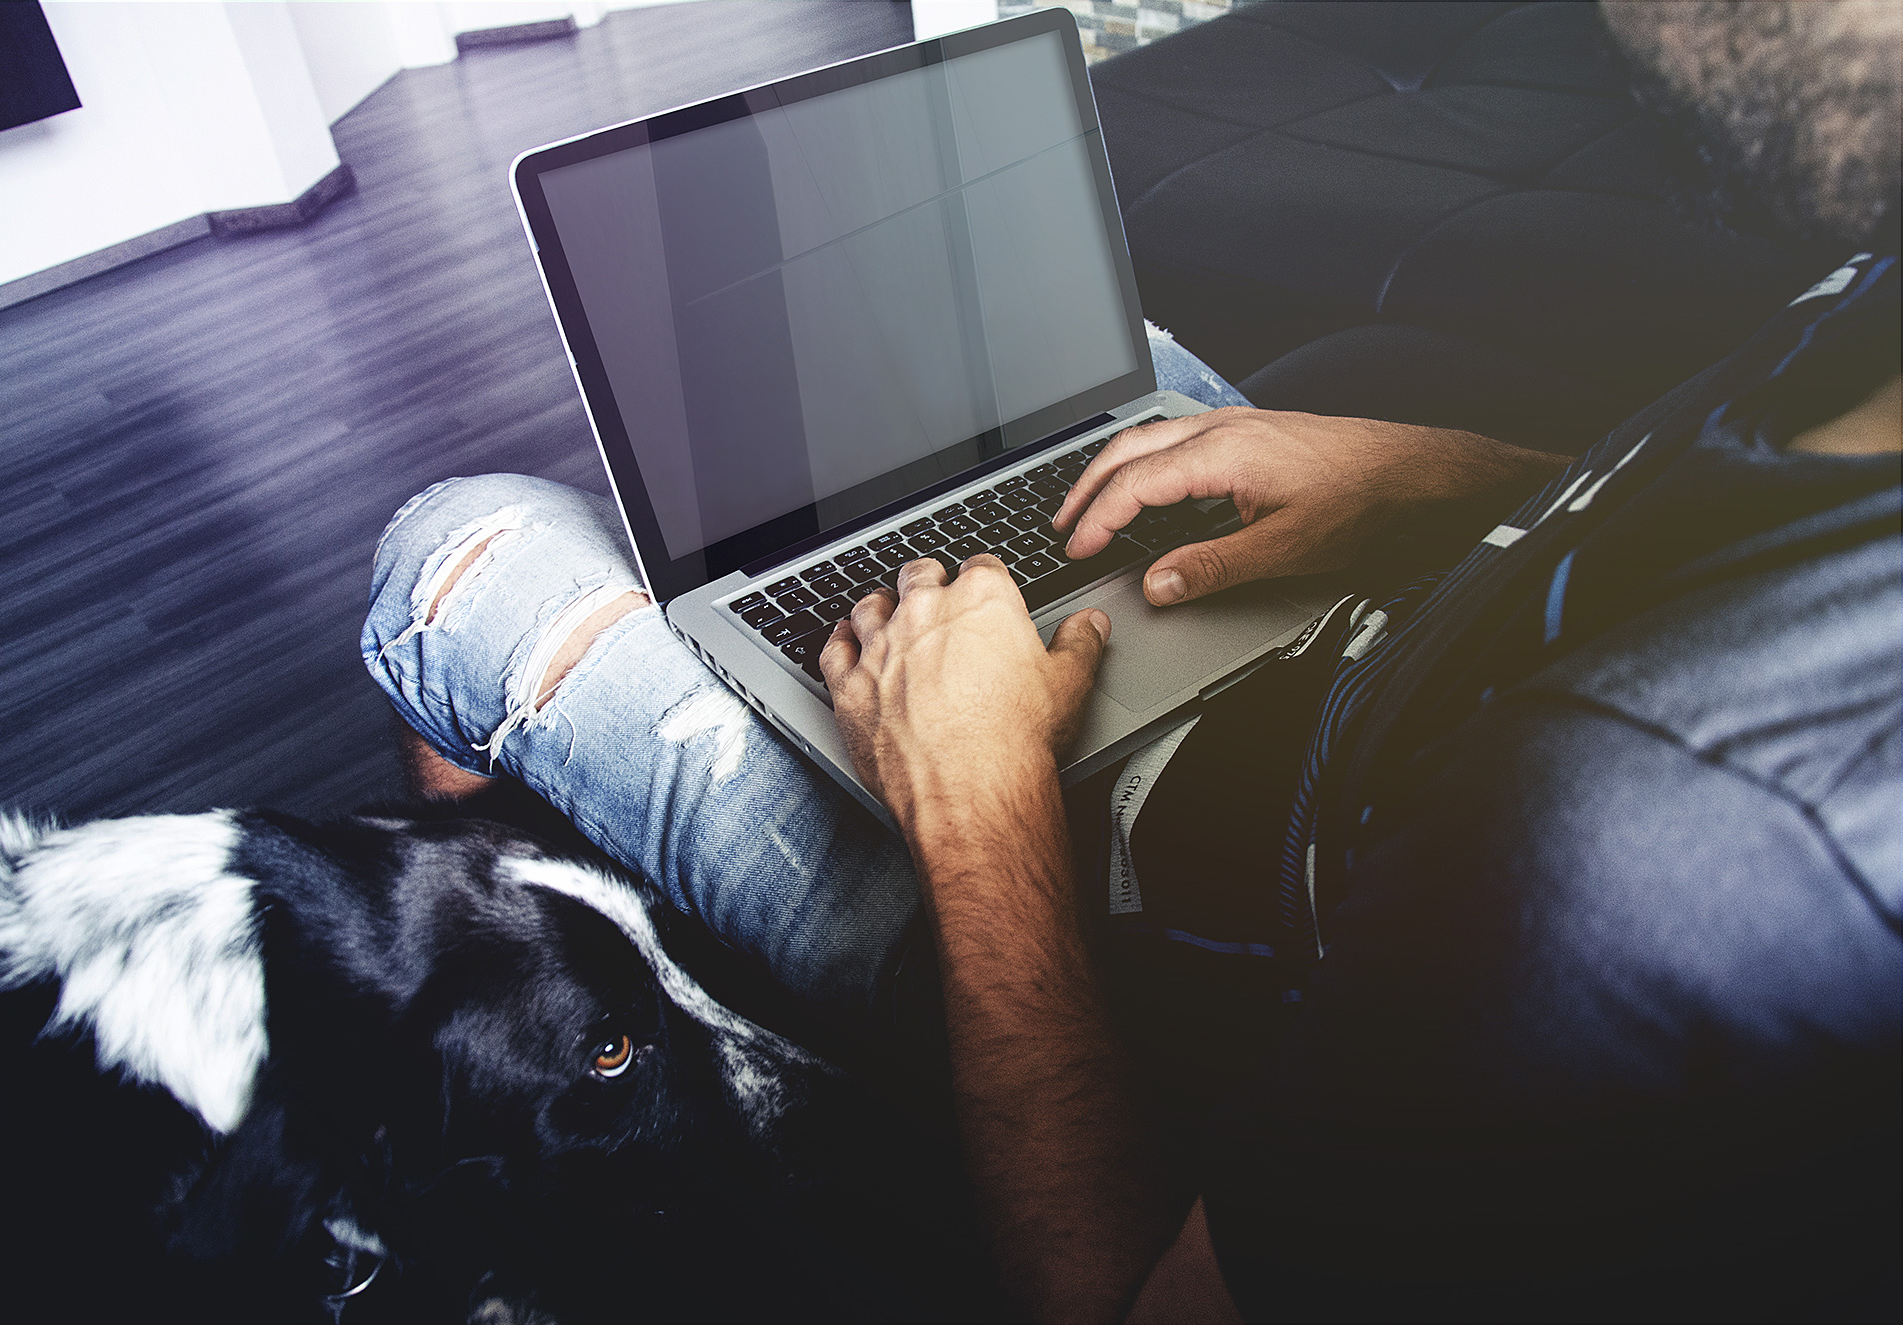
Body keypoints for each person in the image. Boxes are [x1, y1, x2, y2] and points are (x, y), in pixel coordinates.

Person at [363, 2, 1901, 1318]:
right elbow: (1706, 517)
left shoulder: (1638, 855)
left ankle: (499, 1028)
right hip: (1369, 641)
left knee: (455, 547)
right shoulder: (1875, 296)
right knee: (1088, 385)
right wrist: (1436, 471)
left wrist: (974, 805)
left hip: (1117, 909)